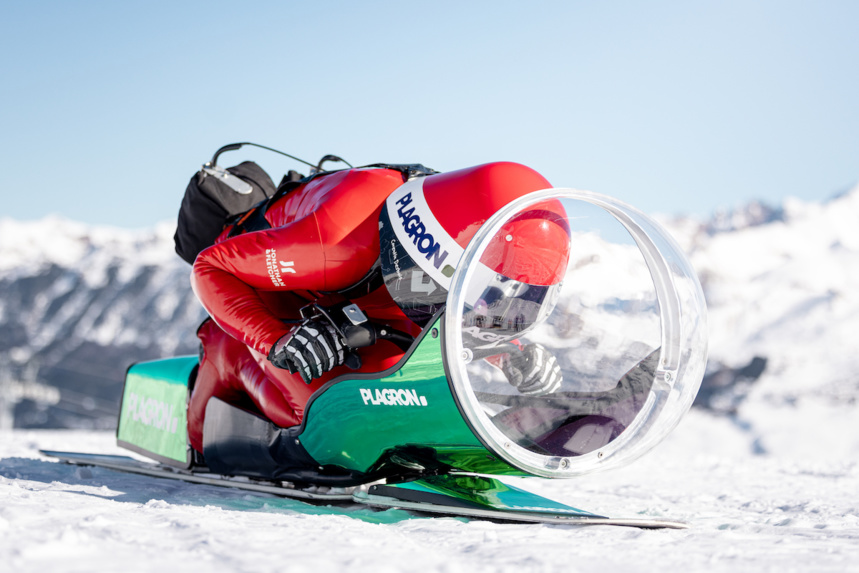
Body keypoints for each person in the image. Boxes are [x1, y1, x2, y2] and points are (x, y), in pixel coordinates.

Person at [187, 161, 570, 455]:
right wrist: (277, 340)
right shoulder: (336, 242)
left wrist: (510, 353)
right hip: (270, 286)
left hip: (366, 294)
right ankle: (227, 354)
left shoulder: (430, 251)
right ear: (437, 259)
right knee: (331, 419)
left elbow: (465, 308)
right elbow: (210, 267)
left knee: (392, 400)